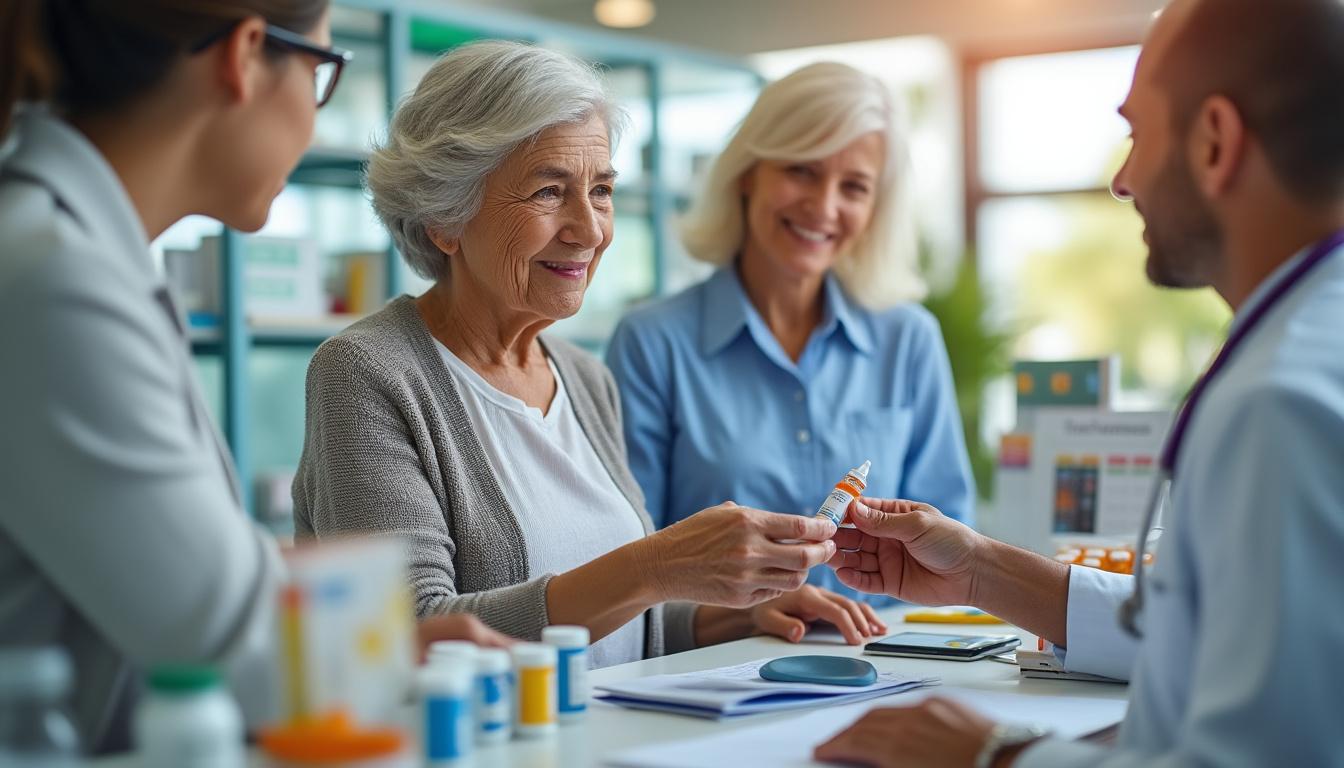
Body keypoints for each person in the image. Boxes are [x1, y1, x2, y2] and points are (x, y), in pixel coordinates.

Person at [813, 0, 1344, 766]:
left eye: (1137, 133)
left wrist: (995, 754)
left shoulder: (1284, 401)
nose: (1123, 182)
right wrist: (978, 569)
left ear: (1215, 142)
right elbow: (1209, 636)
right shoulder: (1306, 347)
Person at [0, 1, 508, 755]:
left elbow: (202, 573)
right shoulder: (51, 280)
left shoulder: (77, 255)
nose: (313, 119)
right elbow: (222, 637)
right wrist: (391, 651)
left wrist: (390, 640)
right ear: (243, 56)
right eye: (321, 71)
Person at [292, 41, 886, 670]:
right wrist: (657, 566)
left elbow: (625, 624)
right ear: (445, 217)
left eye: (600, 190)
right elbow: (409, 636)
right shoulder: (367, 372)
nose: (591, 229)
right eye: (549, 191)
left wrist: (737, 614)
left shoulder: (584, 377)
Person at [604, 62, 975, 609]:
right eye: (802, 171)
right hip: (716, 658)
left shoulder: (909, 339)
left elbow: (951, 551)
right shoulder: (651, 343)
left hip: (882, 652)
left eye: (854, 187)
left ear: (875, 208)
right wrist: (747, 614)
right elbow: (628, 566)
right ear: (748, 173)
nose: (823, 207)